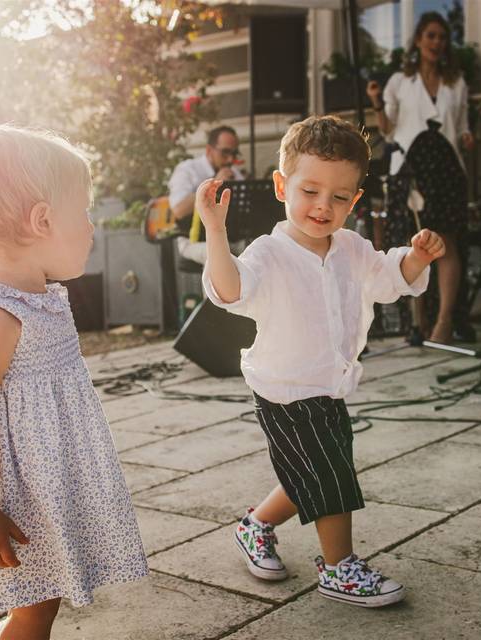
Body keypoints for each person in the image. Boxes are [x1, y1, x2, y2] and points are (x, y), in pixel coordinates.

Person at [0, 125, 148, 639]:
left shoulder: (40, 298)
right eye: (83, 214)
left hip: (47, 475)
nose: (91, 227)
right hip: (16, 491)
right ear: (42, 221)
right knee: (36, 604)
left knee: (43, 595)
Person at [198, 115, 444, 607]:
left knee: (311, 471)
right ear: (281, 185)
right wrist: (215, 233)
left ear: (355, 200)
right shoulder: (270, 252)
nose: (321, 207)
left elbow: (387, 277)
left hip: (329, 384)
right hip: (284, 388)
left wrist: (416, 258)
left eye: (338, 197)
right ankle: (339, 568)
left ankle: (255, 526)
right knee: (331, 474)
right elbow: (229, 290)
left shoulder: (352, 247)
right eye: (309, 191)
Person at [367, 11, 474, 344]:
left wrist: (468, 137)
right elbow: (385, 129)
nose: (436, 43)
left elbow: (463, 126)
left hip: (446, 169)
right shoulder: (400, 81)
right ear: (417, 41)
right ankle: (419, 322)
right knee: (414, 243)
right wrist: (376, 103)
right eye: (430, 36)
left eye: (442, 37)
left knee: (447, 242)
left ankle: (444, 321)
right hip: (410, 168)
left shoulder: (456, 83)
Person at [167, 125, 245, 264]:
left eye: (234, 154)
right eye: (225, 153)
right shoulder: (188, 170)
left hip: (230, 238)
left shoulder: (233, 173)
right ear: (209, 150)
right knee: (215, 253)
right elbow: (179, 210)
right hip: (192, 241)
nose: (229, 160)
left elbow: (246, 205)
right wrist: (214, 183)